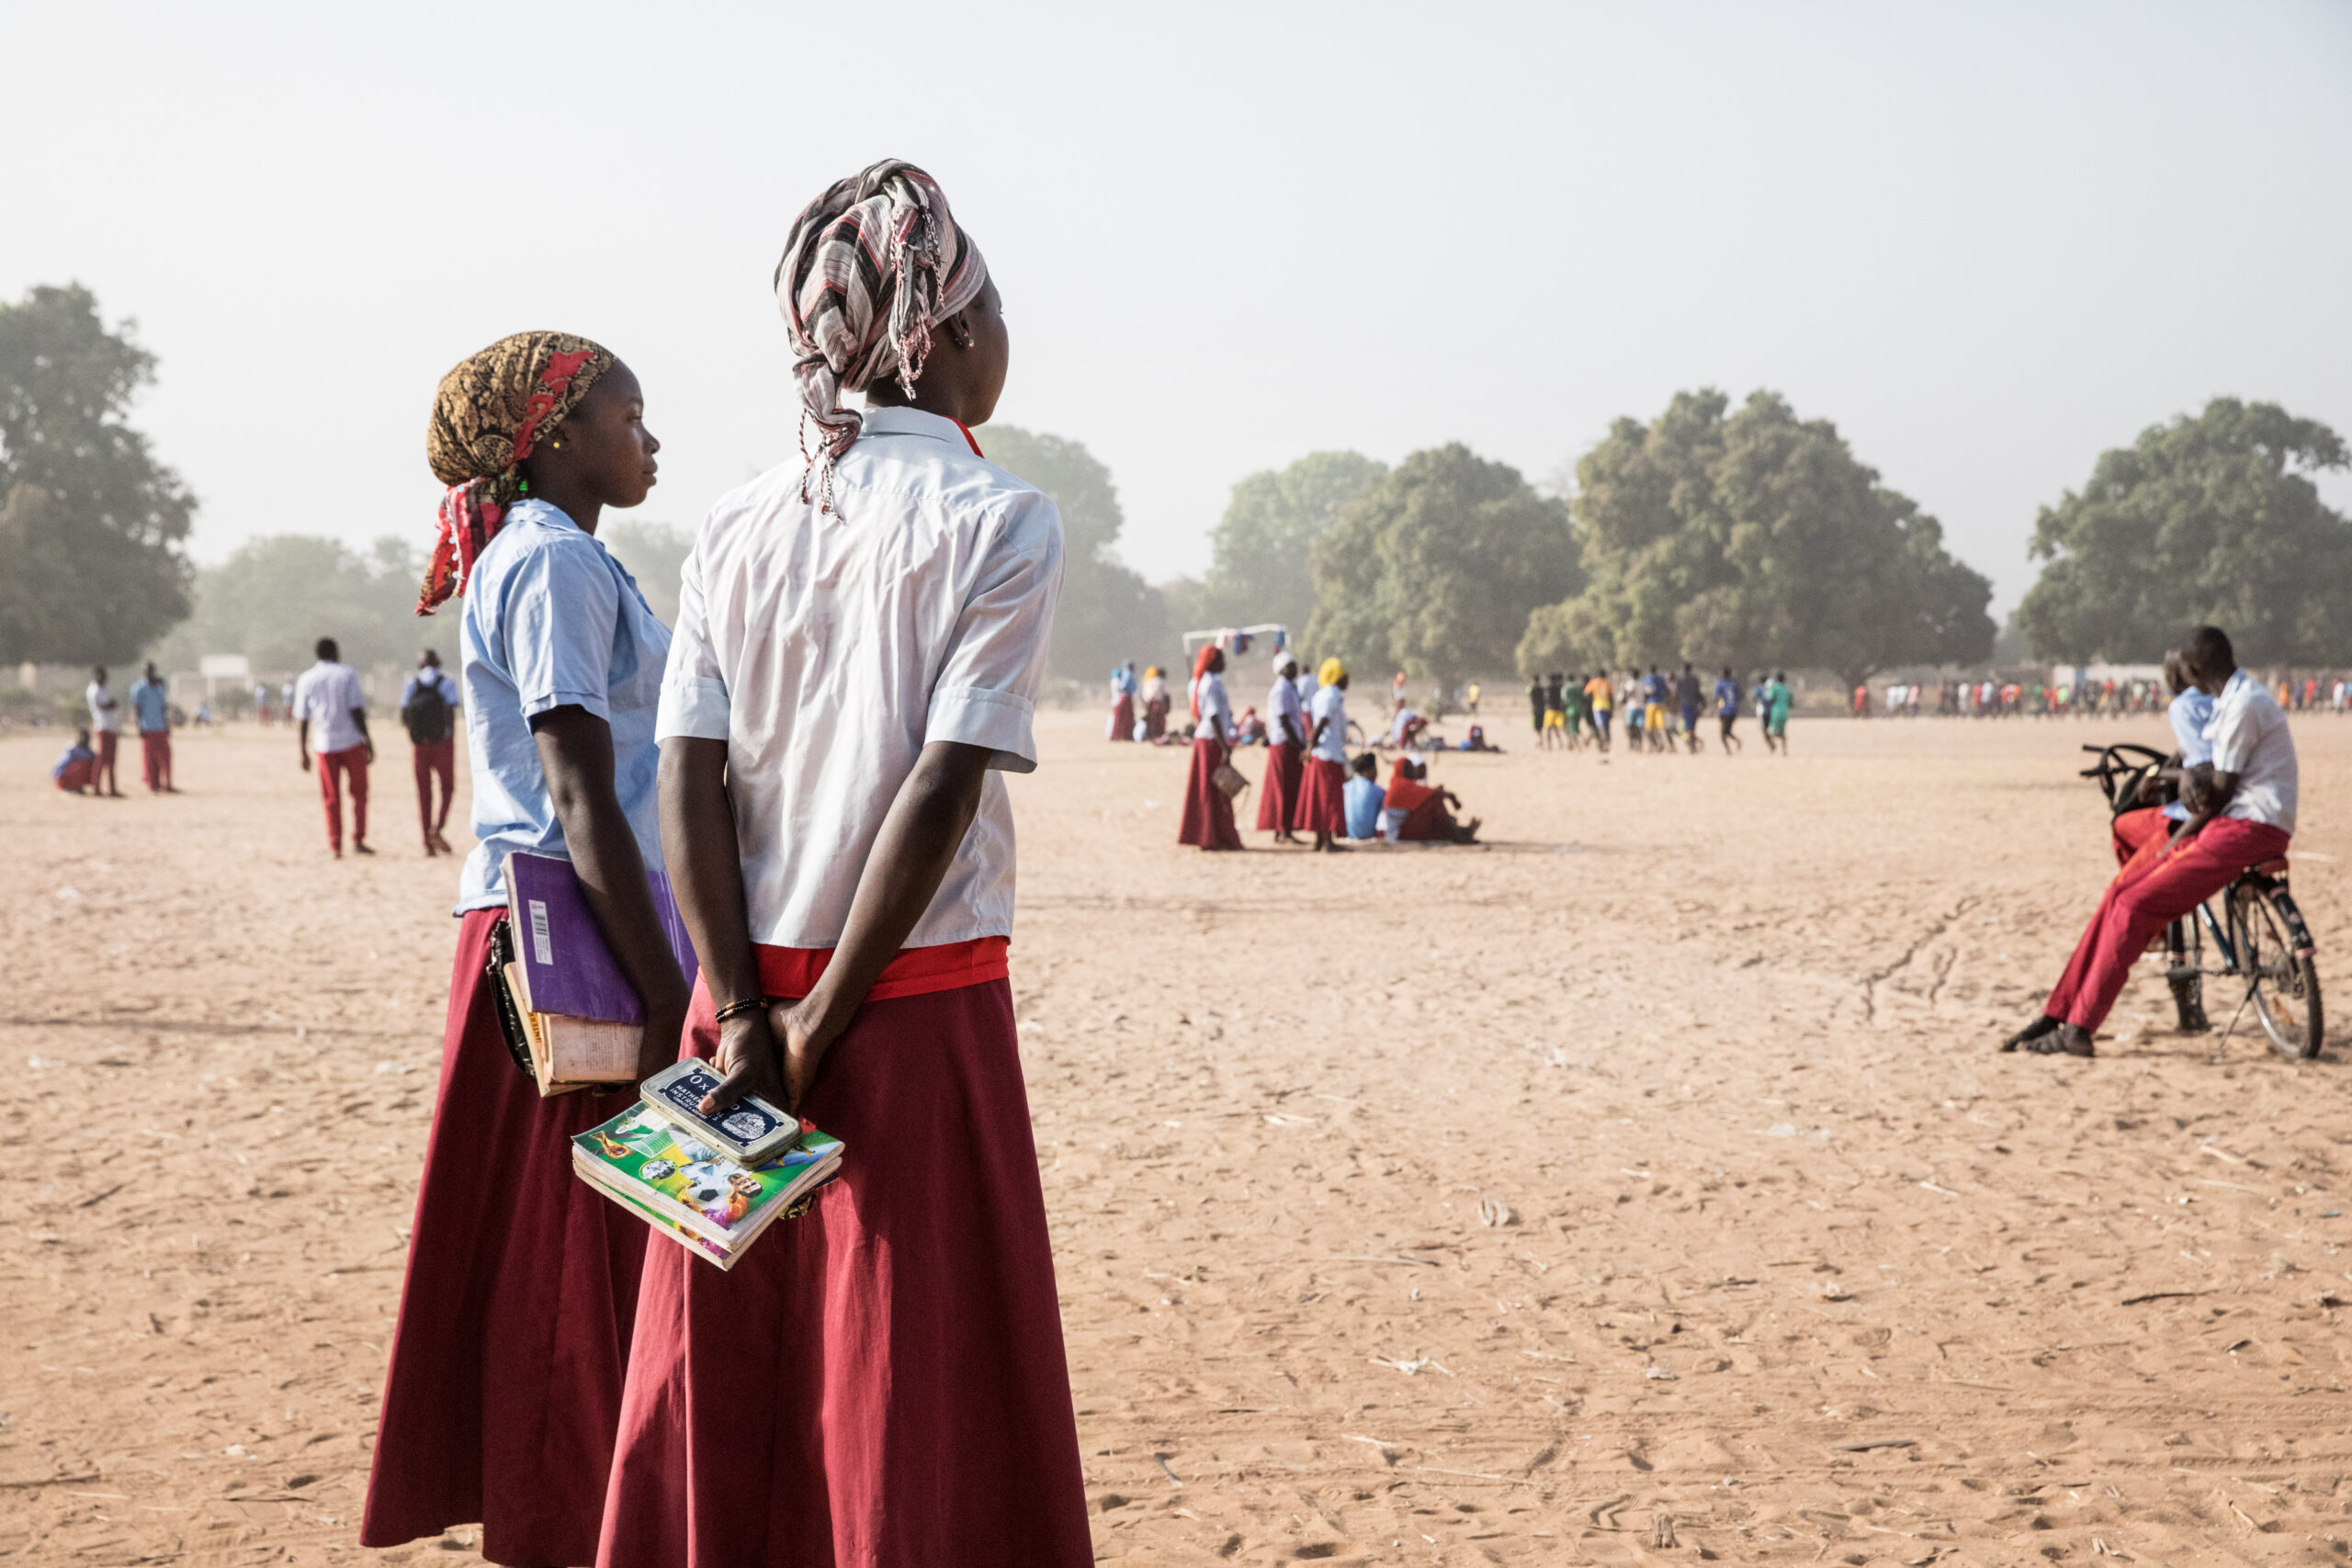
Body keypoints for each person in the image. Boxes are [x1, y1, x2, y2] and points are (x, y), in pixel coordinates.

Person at [602, 159, 1090, 1568]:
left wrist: (749, 1009)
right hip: (911, 996)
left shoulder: (740, 518)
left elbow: (689, 768)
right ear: (930, 332)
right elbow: (943, 778)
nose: (1007, 336)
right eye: (991, 307)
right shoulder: (1003, 518)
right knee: (910, 1368)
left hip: (740, 996)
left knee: (718, 1353)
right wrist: (822, 1022)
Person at [363, 332, 687, 1567]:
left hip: (563, 911)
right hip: (564, 927)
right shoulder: (552, 562)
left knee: (570, 1236)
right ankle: (570, 1518)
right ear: (555, 435)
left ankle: (587, 1505)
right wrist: (667, 1000)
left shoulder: (563, 556)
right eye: (630, 414)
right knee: (570, 1242)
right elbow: (580, 787)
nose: (651, 440)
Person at [2004, 626, 2296, 1059]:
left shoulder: (2243, 704)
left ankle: (2079, 1028)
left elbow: (2215, 791)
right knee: (2119, 892)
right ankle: (2059, 1010)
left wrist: (2179, 795)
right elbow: (2207, 778)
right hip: (2231, 823)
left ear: (2194, 668)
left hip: (2246, 827)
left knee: (2133, 905)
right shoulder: (2232, 698)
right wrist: (2185, 788)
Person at [293, 638, 373, 855]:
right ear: (335, 652)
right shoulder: (346, 674)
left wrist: (302, 750)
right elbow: (357, 710)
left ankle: (335, 844)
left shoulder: (307, 678)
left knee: (331, 797)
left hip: (324, 743)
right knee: (359, 793)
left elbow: (303, 719)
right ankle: (358, 839)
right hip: (351, 741)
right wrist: (367, 739)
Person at [1178, 645, 1243, 850]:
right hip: (1211, 740)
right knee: (1214, 788)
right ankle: (1212, 836)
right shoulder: (1212, 683)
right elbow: (1213, 716)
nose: (1224, 664)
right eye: (1221, 659)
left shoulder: (1201, 682)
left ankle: (1211, 834)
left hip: (1205, 738)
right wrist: (1224, 746)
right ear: (1212, 662)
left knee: (1210, 787)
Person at [401, 649, 461, 856]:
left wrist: (417, 737)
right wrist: (448, 738)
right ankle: (439, 826)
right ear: (438, 663)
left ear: (420, 665)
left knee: (424, 793)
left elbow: (404, 714)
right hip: (443, 743)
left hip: (419, 745)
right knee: (447, 787)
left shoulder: (411, 682)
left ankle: (426, 843)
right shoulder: (447, 682)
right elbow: (451, 713)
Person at [1297, 659, 1351, 852]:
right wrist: (1310, 746)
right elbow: (1322, 722)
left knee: (1318, 799)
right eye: (1345, 675)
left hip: (1323, 753)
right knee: (1329, 798)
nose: (1348, 680)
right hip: (1329, 753)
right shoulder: (1332, 695)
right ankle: (1328, 842)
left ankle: (1319, 840)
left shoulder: (1319, 695)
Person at [1259, 654, 1306, 843]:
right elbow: (1284, 720)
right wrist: (1300, 744)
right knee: (1284, 786)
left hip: (1290, 741)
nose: (1295, 669)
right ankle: (1282, 830)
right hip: (1285, 743)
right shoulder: (1281, 690)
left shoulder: (1291, 688)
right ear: (1281, 669)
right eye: (1290, 666)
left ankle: (1285, 829)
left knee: (1291, 786)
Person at [1384, 755, 1481, 842]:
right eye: (1409, 768)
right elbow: (1432, 794)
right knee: (1435, 802)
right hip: (1400, 833)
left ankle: (1460, 831)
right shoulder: (1401, 785)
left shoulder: (1397, 784)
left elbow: (1425, 793)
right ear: (1402, 770)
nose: (1412, 770)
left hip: (1402, 829)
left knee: (1432, 806)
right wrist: (1451, 797)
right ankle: (1457, 836)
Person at [130, 660, 175, 792]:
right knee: (149, 758)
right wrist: (138, 727)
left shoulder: (159, 687)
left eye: (151, 670)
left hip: (160, 727)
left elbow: (163, 708)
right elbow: (137, 709)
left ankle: (167, 783)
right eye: (146, 670)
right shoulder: (138, 688)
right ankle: (152, 784)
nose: (149, 673)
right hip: (147, 728)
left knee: (165, 756)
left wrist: (167, 726)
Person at [85, 665, 123, 796]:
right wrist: (112, 703)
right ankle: (96, 788)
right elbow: (106, 705)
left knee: (111, 760)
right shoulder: (94, 690)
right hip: (103, 727)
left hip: (111, 727)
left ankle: (112, 788)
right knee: (101, 759)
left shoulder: (103, 688)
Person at [1342, 750, 1385, 840]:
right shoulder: (1377, 790)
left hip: (1349, 835)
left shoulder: (1346, 787)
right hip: (1368, 835)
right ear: (1371, 769)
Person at [51, 728, 96, 794]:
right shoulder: (72, 749)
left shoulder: (87, 751)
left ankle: (77, 786)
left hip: (67, 779)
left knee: (92, 764)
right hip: (62, 780)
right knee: (83, 765)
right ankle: (72, 786)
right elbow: (61, 765)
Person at [1583, 669, 1613, 751]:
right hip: (1606, 706)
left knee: (1600, 727)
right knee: (1606, 727)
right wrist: (1612, 709)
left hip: (1597, 706)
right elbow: (1611, 698)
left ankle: (1602, 744)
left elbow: (1586, 694)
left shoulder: (1593, 683)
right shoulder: (1607, 683)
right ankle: (1606, 744)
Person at [1714, 667, 1743, 754]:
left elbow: (1717, 697)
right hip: (1734, 710)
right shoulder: (1735, 683)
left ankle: (1728, 751)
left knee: (1723, 734)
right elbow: (1741, 696)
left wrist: (1719, 707)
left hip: (1725, 710)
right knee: (1727, 731)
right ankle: (1737, 741)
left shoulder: (1720, 684)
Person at [1676, 661, 1703, 754]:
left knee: (1688, 727)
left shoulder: (1680, 680)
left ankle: (1692, 746)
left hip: (1685, 705)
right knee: (1692, 726)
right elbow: (1698, 693)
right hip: (1694, 705)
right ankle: (1693, 745)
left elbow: (1677, 693)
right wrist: (1702, 704)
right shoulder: (1695, 679)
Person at [1107, 660, 1137, 741]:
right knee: (1126, 718)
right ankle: (1124, 736)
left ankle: (1122, 735)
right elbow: (1123, 686)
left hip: (1125, 698)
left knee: (1124, 718)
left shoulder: (1125, 674)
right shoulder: (1127, 674)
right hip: (1125, 698)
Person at [1138, 663, 1170, 740]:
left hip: (1150, 703)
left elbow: (1145, 694)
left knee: (1151, 720)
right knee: (1160, 720)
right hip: (1159, 703)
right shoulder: (1161, 682)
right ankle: (1159, 734)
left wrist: (1146, 703)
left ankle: (1151, 735)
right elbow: (1165, 694)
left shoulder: (1148, 681)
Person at [1765, 671, 1792, 754]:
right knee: (1782, 733)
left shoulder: (1775, 687)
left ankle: (1772, 746)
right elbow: (1790, 702)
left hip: (1776, 712)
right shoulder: (1787, 688)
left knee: (1771, 732)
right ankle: (1784, 750)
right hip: (1785, 713)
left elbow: (1770, 698)